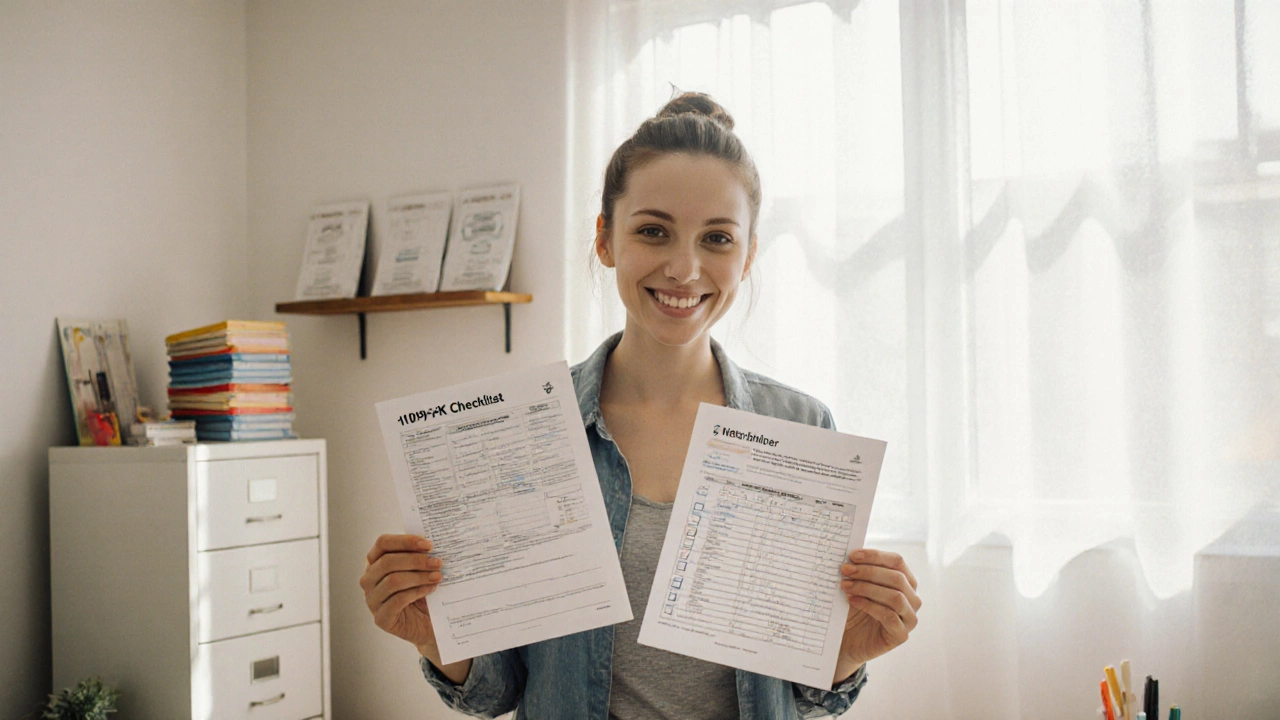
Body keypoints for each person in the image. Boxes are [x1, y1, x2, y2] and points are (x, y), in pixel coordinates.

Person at [360, 93, 922, 719]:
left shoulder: (801, 430)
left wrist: (845, 654)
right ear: (604, 239)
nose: (684, 269)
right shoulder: (522, 434)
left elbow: (807, 696)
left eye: (717, 238)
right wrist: (434, 635)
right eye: (653, 231)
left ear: (749, 255)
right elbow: (497, 691)